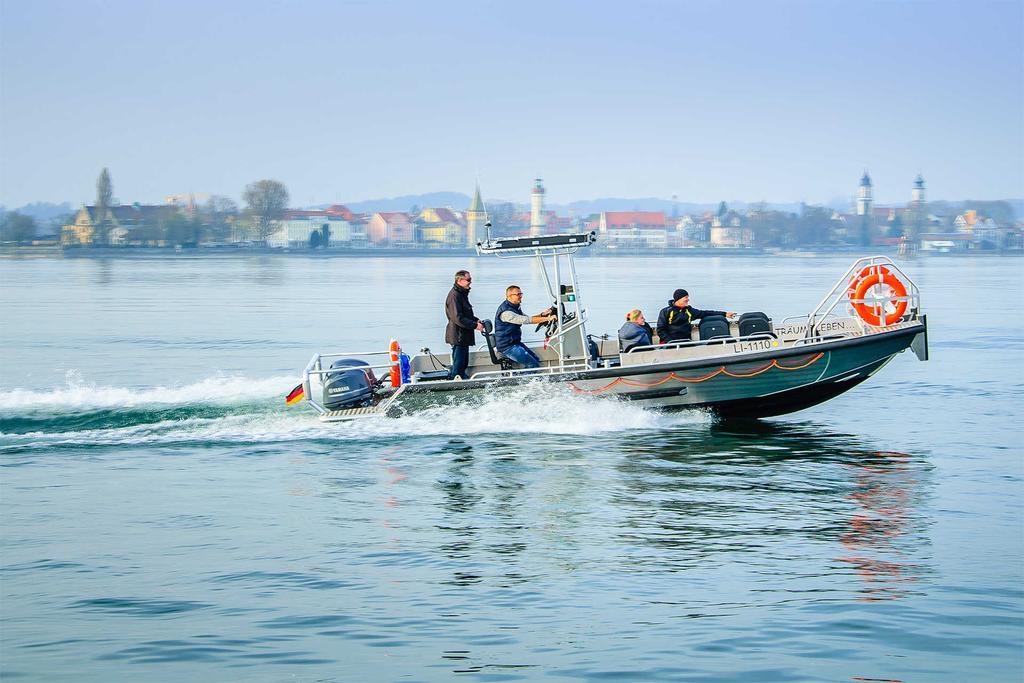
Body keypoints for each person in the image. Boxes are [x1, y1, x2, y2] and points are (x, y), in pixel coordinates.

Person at [493, 285, 556, 369]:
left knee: (536, 359)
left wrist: (542, 315)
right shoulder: (506, 312)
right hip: (507, 347)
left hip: (515, 343)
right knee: (532, 364)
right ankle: (524, 381)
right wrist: (548, 318)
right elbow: (526, 320)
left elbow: (527, 317)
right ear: (509, 296)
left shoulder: (514, 307)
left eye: (521, 294)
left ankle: (529, 379)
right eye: (518, 294)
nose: (520, 296)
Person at [656, 288, 736, 344]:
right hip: (669, 342)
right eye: (686, 297)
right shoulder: (665, 312)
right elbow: (660, 330)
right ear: (678, 299)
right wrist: (670, 342)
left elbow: (705, 313)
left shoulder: (689, 310)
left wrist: (725, 314)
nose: (688, 299)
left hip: (685, 341)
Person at [445, 270, 484, 380]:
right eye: (468, 280)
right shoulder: (454, 295)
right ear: (460, 280)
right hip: (458, 335)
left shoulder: (461, 294)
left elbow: (465, 313)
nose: (470, 282)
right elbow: (457, 318)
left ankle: (461, 378)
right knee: (459, 364)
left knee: (463, 362)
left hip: (463, 335)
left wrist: (476, 320)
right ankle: (455, 381)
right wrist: (475, 326)